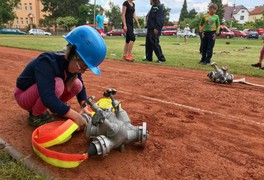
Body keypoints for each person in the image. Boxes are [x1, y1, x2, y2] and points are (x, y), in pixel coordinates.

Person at [14, 26, 107, 129]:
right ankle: (35, 115)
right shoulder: (47, 62)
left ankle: (57, 108)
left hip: (43, 95)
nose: (83, 71)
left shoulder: (72, 65)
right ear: (72, 55)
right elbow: (47, 97)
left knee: (77, 84)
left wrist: (84, 105)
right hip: (23, 96)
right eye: (82, 67)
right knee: (58, 84)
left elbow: (80, 83)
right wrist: (74, 115)